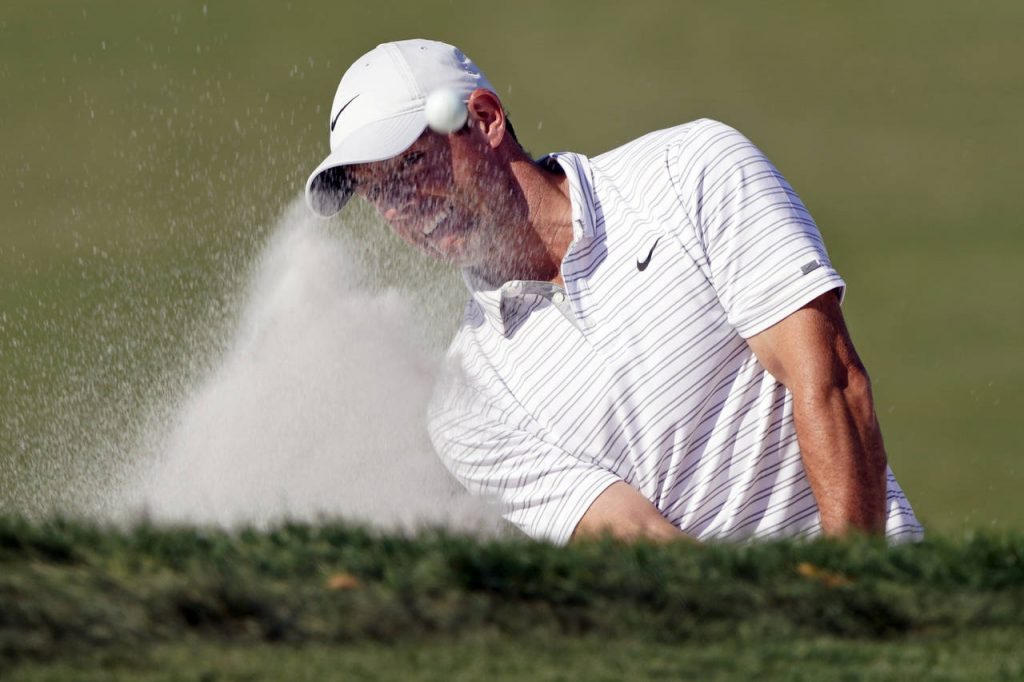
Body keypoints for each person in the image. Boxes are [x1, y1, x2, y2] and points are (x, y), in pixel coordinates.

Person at [305, 39, 923, 545]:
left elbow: (830, 383)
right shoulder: (466, 406)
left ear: (486, 119)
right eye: (378, 191)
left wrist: (851, 599)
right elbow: (640, 540)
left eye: (413, 165)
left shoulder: (691, 171)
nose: (402, 206)